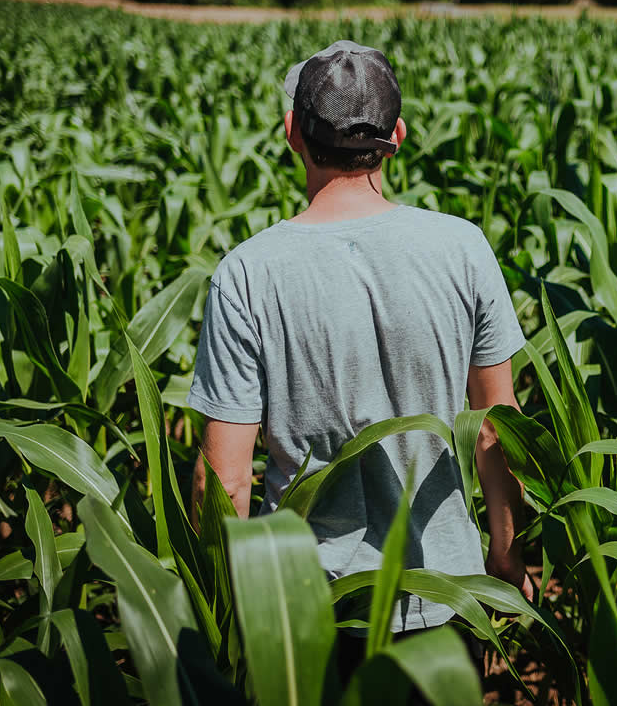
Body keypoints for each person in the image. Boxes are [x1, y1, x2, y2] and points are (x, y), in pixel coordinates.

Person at [186, 40, 535, 678]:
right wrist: (506, 556)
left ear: (292, 132)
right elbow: (497, 425)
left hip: (305, 608)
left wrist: (225, 610)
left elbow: (225, 482)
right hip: (446, 595)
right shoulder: (464, 247)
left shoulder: (246, 273)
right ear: (396, 135)